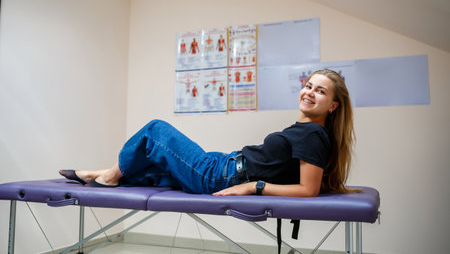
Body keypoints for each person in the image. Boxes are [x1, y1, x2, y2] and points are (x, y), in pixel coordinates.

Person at [60, 69, 355, 197]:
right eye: (309, 86)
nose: (310, 92)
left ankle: (106, 177)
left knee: (155, 131)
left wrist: (254, 187)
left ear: (333, 106)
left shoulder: (313, 135)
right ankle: (99, 173)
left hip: (222, 174)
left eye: (321, 91)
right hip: (225, 164)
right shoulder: (306, 130)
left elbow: (308, 189)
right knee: (150, 171)